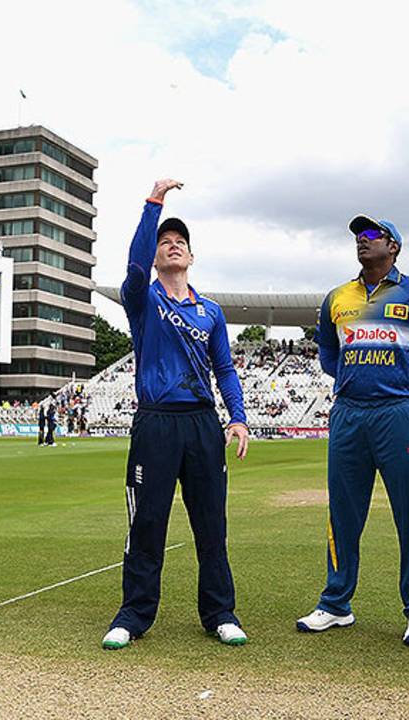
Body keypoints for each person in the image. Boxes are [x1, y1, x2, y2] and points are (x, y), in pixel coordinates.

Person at [102, 178, 250, 650]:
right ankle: (134, 615)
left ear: (191, 257)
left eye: (179, 243)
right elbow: (133, 263)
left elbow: (225, 369)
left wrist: (239, 417)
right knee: (147, 524)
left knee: (211, 524)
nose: (171, 247)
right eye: (165, 243)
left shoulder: (210, 311)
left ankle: (220, 612)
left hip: (202, 425)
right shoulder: (143, 300)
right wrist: (153, 205)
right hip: (156, 423)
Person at [295, 214, 409, 646]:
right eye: (358, 237)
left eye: (372, 236)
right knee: (343, 513)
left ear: (394, 246)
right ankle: (335, 603)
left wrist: (408, 391)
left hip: (396, 413)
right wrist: (351, 382)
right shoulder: (336, 297)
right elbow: (329, 355)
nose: (362, 242)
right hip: (348, 412)